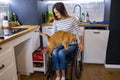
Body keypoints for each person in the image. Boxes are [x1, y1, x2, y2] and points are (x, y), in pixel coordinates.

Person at [52, 2, 84, 80]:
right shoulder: (56, 21)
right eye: (54, 13)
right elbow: (54, 34)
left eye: (57, 12)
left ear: (62, 10)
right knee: (54, 52)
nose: (56, 14)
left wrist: (81, 43)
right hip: (60, 43)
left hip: (71, 44)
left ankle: (63, 76)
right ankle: (58, 76)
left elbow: (79, 32)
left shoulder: (72, 19)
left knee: (61, 53)